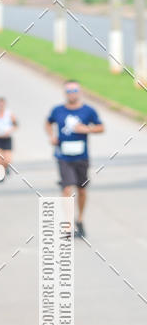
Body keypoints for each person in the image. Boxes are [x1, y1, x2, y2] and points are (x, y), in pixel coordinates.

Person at [45, 80, 104, 238]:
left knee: (82, 189)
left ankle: (80, 219)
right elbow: (48, 122)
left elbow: (101, 127)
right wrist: (51, 136)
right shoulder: (58, 110)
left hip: (81, 156)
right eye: (69, 91)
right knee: (66, 188)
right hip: (63, 155)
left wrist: (87, 129)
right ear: (65, 93)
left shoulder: (88, 111)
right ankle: (67, 224)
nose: (72, 94)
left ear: (79, 92)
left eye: (74, 90)